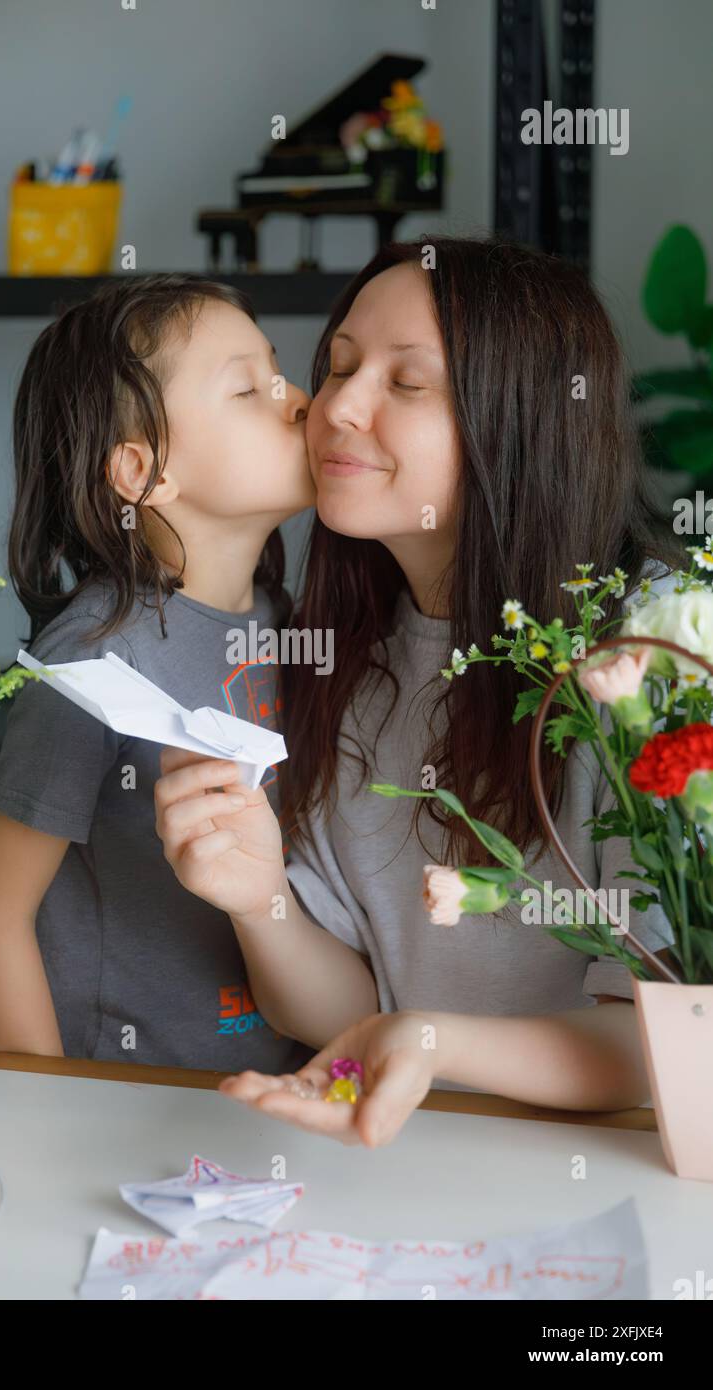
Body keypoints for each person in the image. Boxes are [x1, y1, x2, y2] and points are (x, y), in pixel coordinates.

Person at [153, 237, 682, 1145]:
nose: (333, 407)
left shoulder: (644, 658)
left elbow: (662, 1046)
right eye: (341, 367)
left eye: (406, 384)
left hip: (610, 1168)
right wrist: (258, 897)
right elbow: (346, 1006)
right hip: (401, 1156)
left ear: (519, 424)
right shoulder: (331, 656)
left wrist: (436, 1044)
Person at [0, 273, 316, 1072]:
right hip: (126, 1102)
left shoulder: (288, 622)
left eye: (280, 372)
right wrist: (49, 1104)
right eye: (248, 390)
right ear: (144, 475)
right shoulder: (93, 660)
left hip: (274, 1105)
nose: (300, 401)